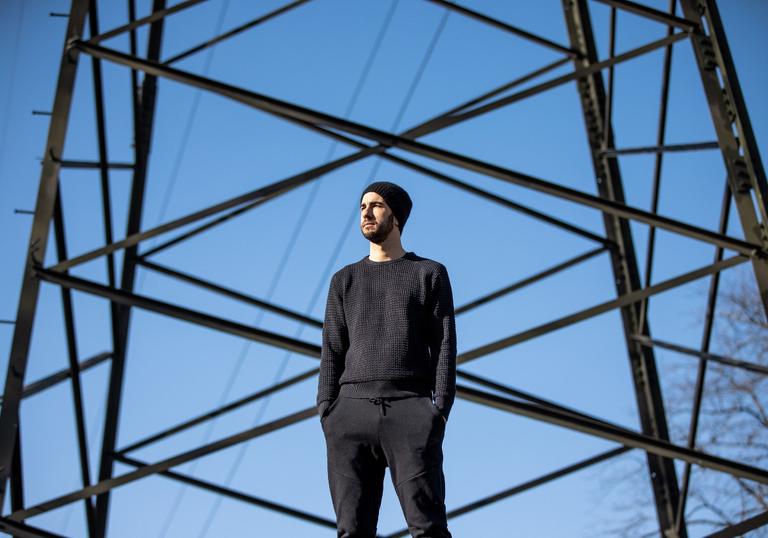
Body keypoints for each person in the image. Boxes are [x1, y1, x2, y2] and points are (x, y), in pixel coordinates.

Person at [316, 181, 456, 538]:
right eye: (362, 205)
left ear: (396, 216)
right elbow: (332, 349)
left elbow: (444, 345)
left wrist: (437, 409)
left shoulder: (429, 273)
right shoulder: (343, 280)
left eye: (376, 205)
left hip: (411, 410)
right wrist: (327, 410)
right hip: (348, 414)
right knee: (352, 531)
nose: (366, 212)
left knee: (428, 529)